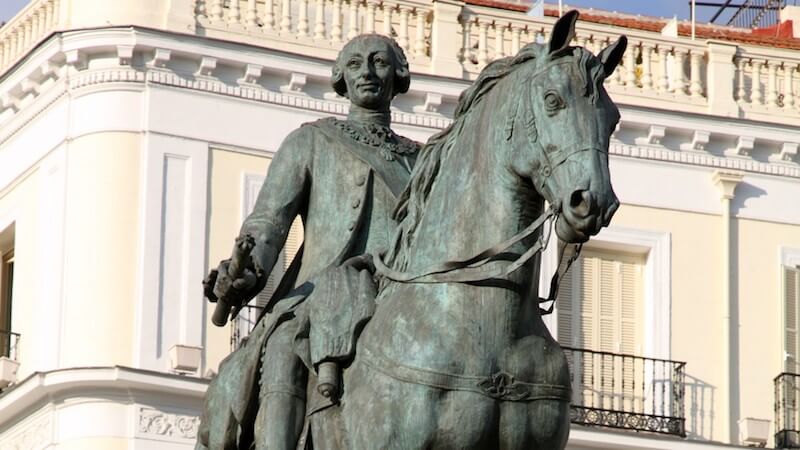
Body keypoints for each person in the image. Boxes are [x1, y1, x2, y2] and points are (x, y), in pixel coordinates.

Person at [196, 34, 419, 450]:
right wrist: (246, 272)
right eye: (355, 65)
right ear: (340, 78)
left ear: (399, 74)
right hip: (319, 296)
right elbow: (267, 222)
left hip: (399, 294)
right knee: (283, 349)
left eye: (379, 63)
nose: (367, 73)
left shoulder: (422, 161)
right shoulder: (311, 141)